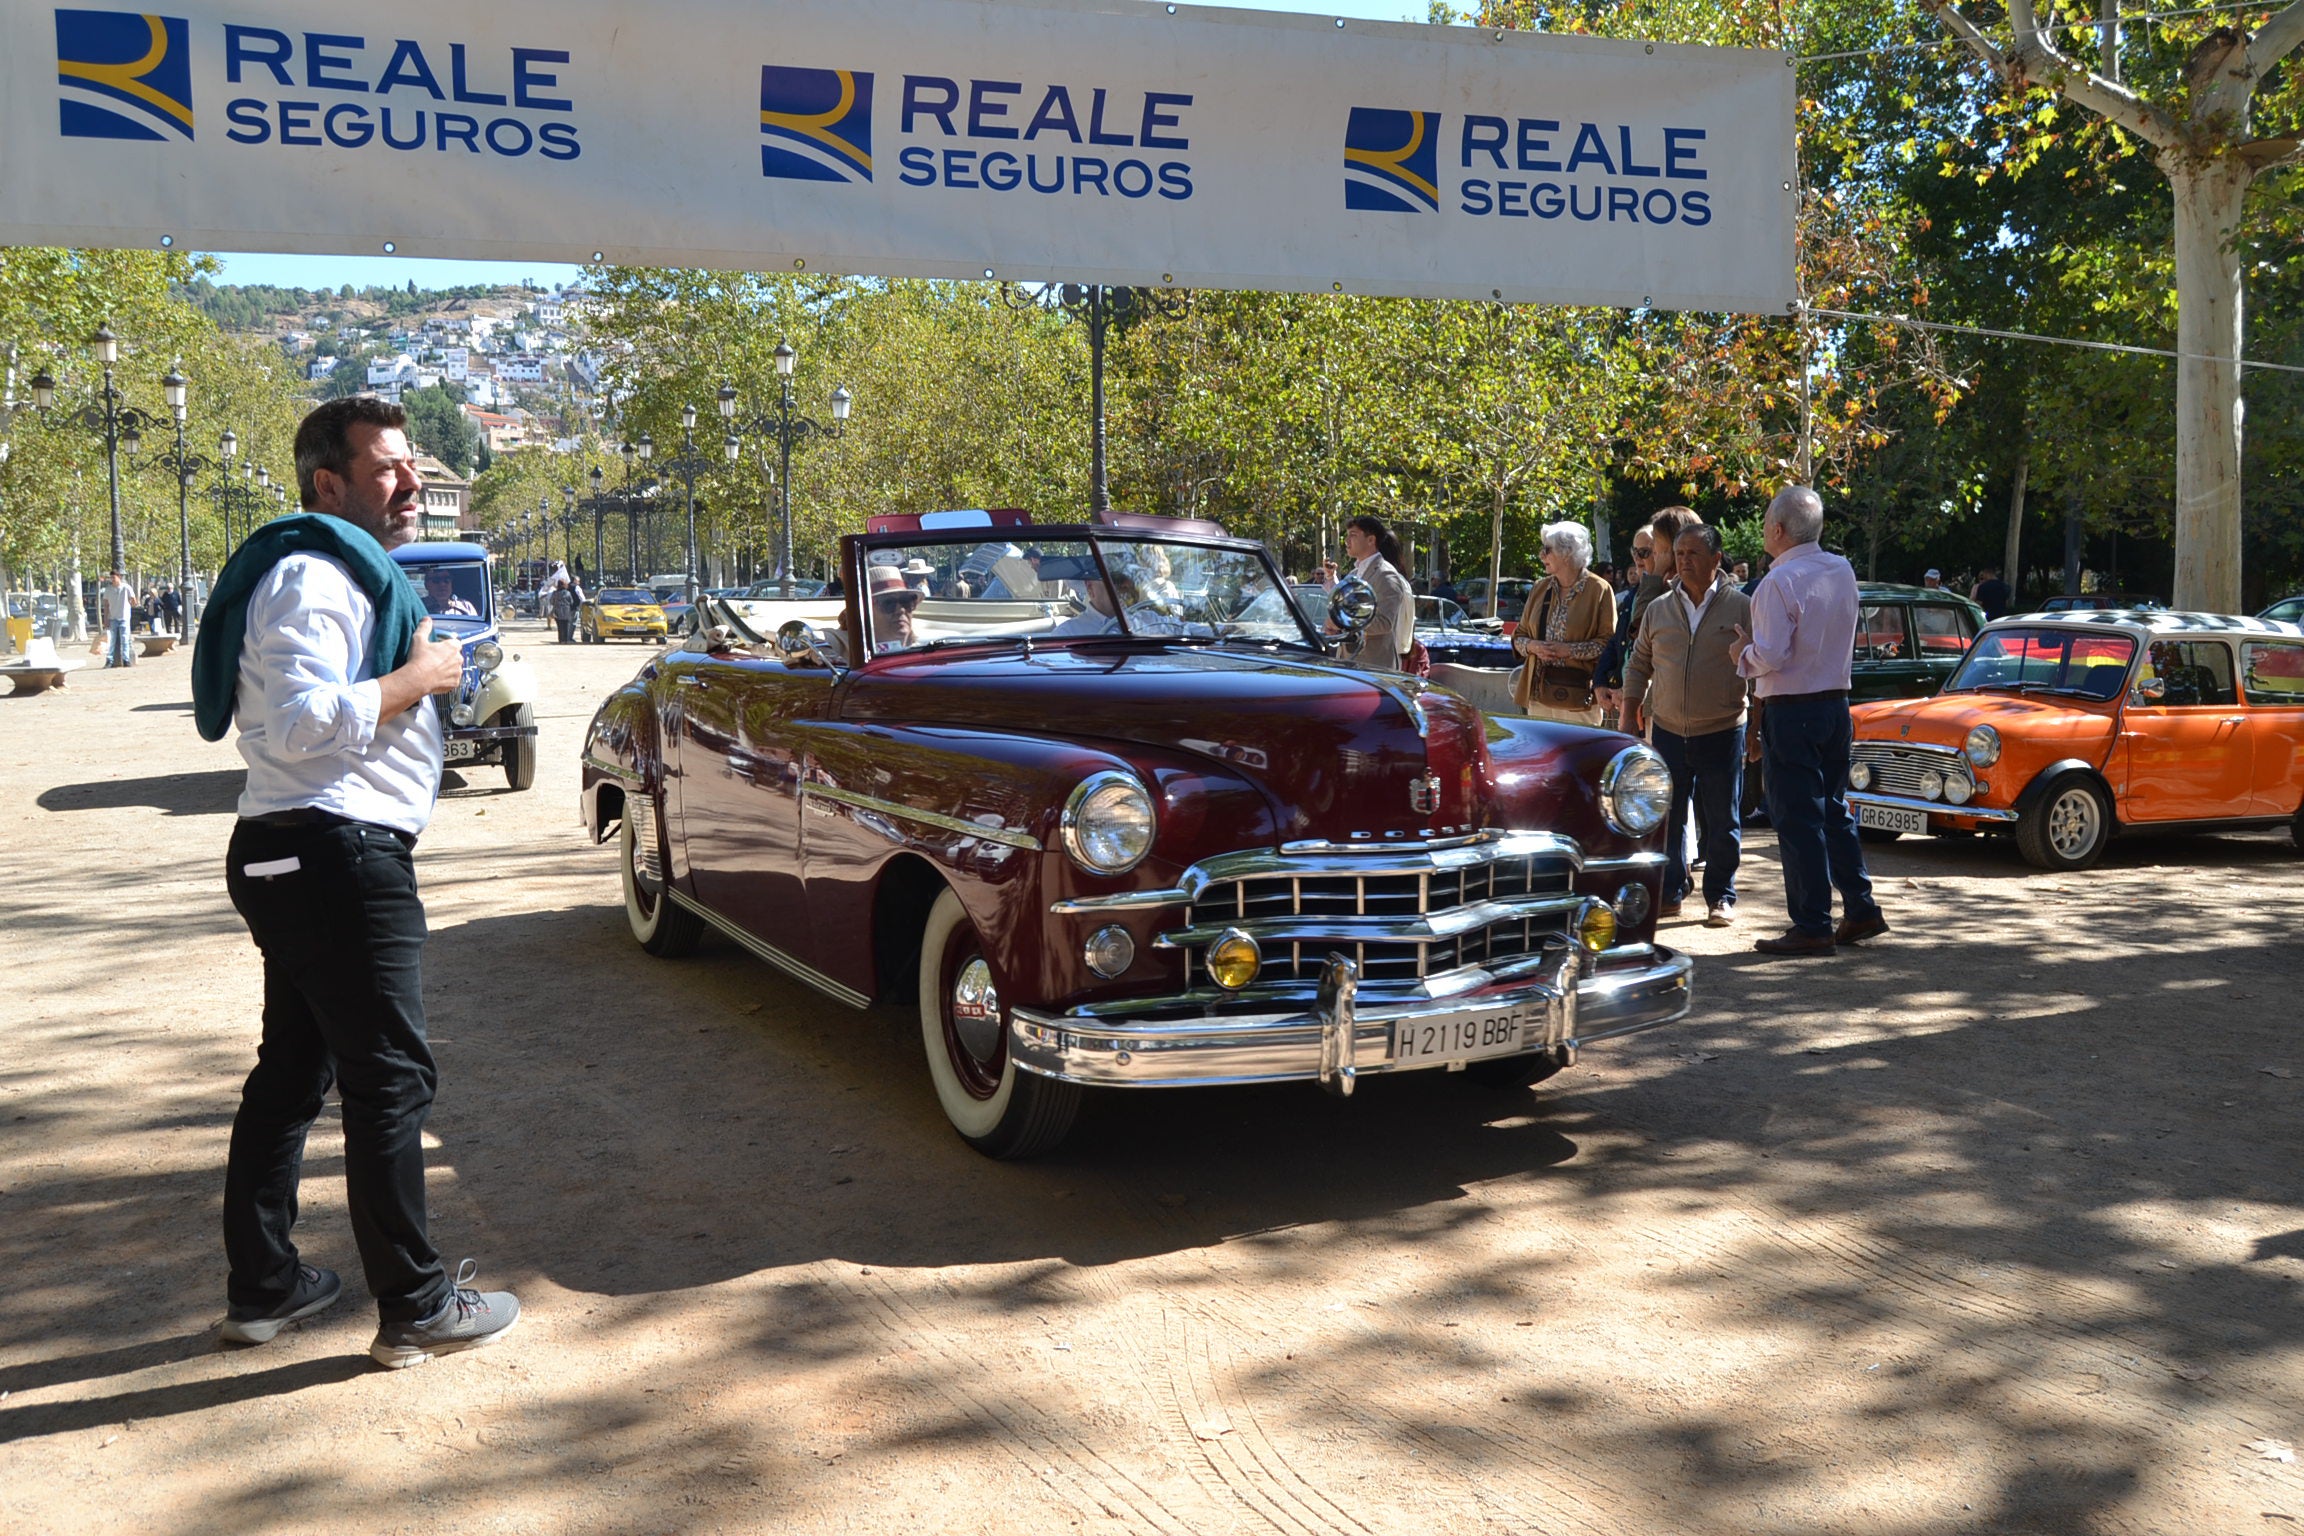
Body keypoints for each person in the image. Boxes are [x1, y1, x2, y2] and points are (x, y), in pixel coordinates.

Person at [191, 396, 520, 1368]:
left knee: (295, 1072)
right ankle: (416, 1306)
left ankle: (266, 1290)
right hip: (334, 853)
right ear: (329, 483)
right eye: (389, 469)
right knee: (391, 1078)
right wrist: (419, 678)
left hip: (304, 850)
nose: (412, 484)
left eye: (413, 466)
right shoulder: (312, 576)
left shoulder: (324, 570)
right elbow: (299, 722)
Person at [1729, 486, 1889, 957]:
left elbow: (1771, 655)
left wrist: (1742, 653)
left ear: (1777, 530)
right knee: (1834, 809)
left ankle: (1813, 923)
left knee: (1798, 818)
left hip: (1794, 708)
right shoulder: (1841, 570)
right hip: (1835, 704)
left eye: (1764, 522)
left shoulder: (1777, 583)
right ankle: (1859, 907)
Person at [1623, 524, 1752, 925]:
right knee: (1668, 816)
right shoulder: (1659, 608)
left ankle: (1720, 896)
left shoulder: (1742, 608)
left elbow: (1761, 671)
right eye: (1679, 554)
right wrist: (1629, 715)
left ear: (1717, 559)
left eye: (1694, 553)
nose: (1684, 561)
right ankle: (1672, 890)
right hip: (1667, 729)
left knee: (1722, 818)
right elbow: (1639, 663)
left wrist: (1760, 728)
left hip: (1723, 728)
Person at [1510, 522, 1615, 724]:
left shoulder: (1599, 590)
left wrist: (1567, 650)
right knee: (1542, 755)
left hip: (1579, 698)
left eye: (1547, 550)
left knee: (1580, 755)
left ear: (1567, 553)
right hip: (1538, 695)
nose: (1541, 555)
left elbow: (1608, 645)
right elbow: (1518, 637)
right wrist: (1533, 646)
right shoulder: (1540, 588)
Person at [1325, 515, 1414, 671]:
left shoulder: (1386, 575)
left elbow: (1385, 623)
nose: (1347, 541)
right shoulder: (1354, 573)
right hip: (1352, 665)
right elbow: (1347, 610)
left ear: (1371, 540)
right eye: (1347, 535)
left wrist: (1342, 623)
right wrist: (1335, 627)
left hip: (1375, 669)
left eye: (1353, 535)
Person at [866, 562, 919, 651]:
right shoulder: (846, 657)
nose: (901, 610)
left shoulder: (928, 650)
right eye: (888, 603)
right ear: (867, 612)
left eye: (906, 601)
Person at [99, 569, 135, 667]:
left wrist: (130, 604)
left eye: (113, 577)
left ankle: (126, 660)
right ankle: (109, 660)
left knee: (125, 639)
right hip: (113, 617)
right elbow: (106, 605)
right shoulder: (108, 589)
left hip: (124, 617)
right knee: (111, 640)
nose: (112, 580)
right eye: (111, 578)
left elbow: (133, 600)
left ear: (119, 577)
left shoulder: (126, 588)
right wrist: (106, 619)